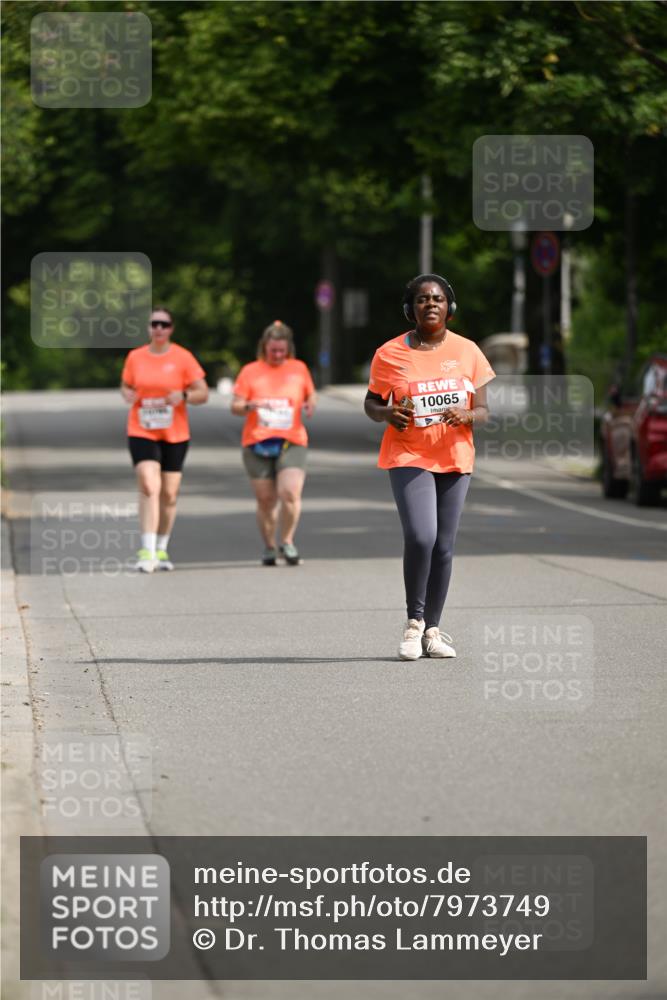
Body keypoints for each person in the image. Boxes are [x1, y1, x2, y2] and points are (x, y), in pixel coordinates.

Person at [364, 274, 495, 660]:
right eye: (422, 300)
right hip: (408, 454)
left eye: (437, 299)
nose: (431, 305)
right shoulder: (389, 353)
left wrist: (467, 414)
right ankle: (413, 623)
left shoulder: (468, 351)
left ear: (449, 307)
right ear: (411, 309)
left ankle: (433, 631)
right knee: (421, 536)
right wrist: (387, 413)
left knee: (443, 546)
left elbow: (484, 410)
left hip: (454, 457)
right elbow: (372, 403)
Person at [121, 307, 208, 572]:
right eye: (154, 324)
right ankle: (146, 550)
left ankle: (161, 547)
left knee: (169, 494)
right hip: (142, 429)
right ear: (148, 328)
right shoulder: (135, 357)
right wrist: (127, 393)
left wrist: (184, 396)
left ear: (171, 328)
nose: (159, 328)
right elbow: (126, 384)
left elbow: (203, 392)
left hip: (175, 433)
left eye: (164, 324)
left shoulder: (183, 357)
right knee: (149, 485)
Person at [231, 320, 316, 565]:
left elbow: (310, 394)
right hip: (257, 442)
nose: (277, 355)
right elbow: (235, 406)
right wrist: (249, 406)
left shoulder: (298, 368)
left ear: (288, 348)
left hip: (292, 440)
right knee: (266, 500)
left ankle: (287, 541)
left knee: (289, 492)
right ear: (264, 347)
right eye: (273, 350)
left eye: (282, 350)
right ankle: (269, 546)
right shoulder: (250, 371)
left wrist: (310, 404)